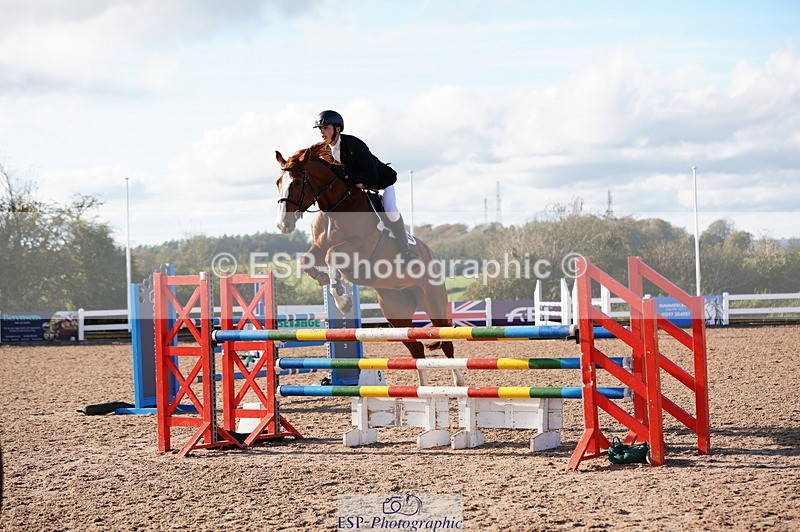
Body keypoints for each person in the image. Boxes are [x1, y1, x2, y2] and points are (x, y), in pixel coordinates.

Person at [313, 110, 417, 261]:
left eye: (326, 128)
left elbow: (371, 174)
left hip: (380, 182)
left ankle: (406, 251)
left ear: (338, 128)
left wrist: (349, 177)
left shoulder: (353, 144)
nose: (322, 132)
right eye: (320, 129)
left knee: (391, 212)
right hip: (357, 187)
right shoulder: (324, 150)